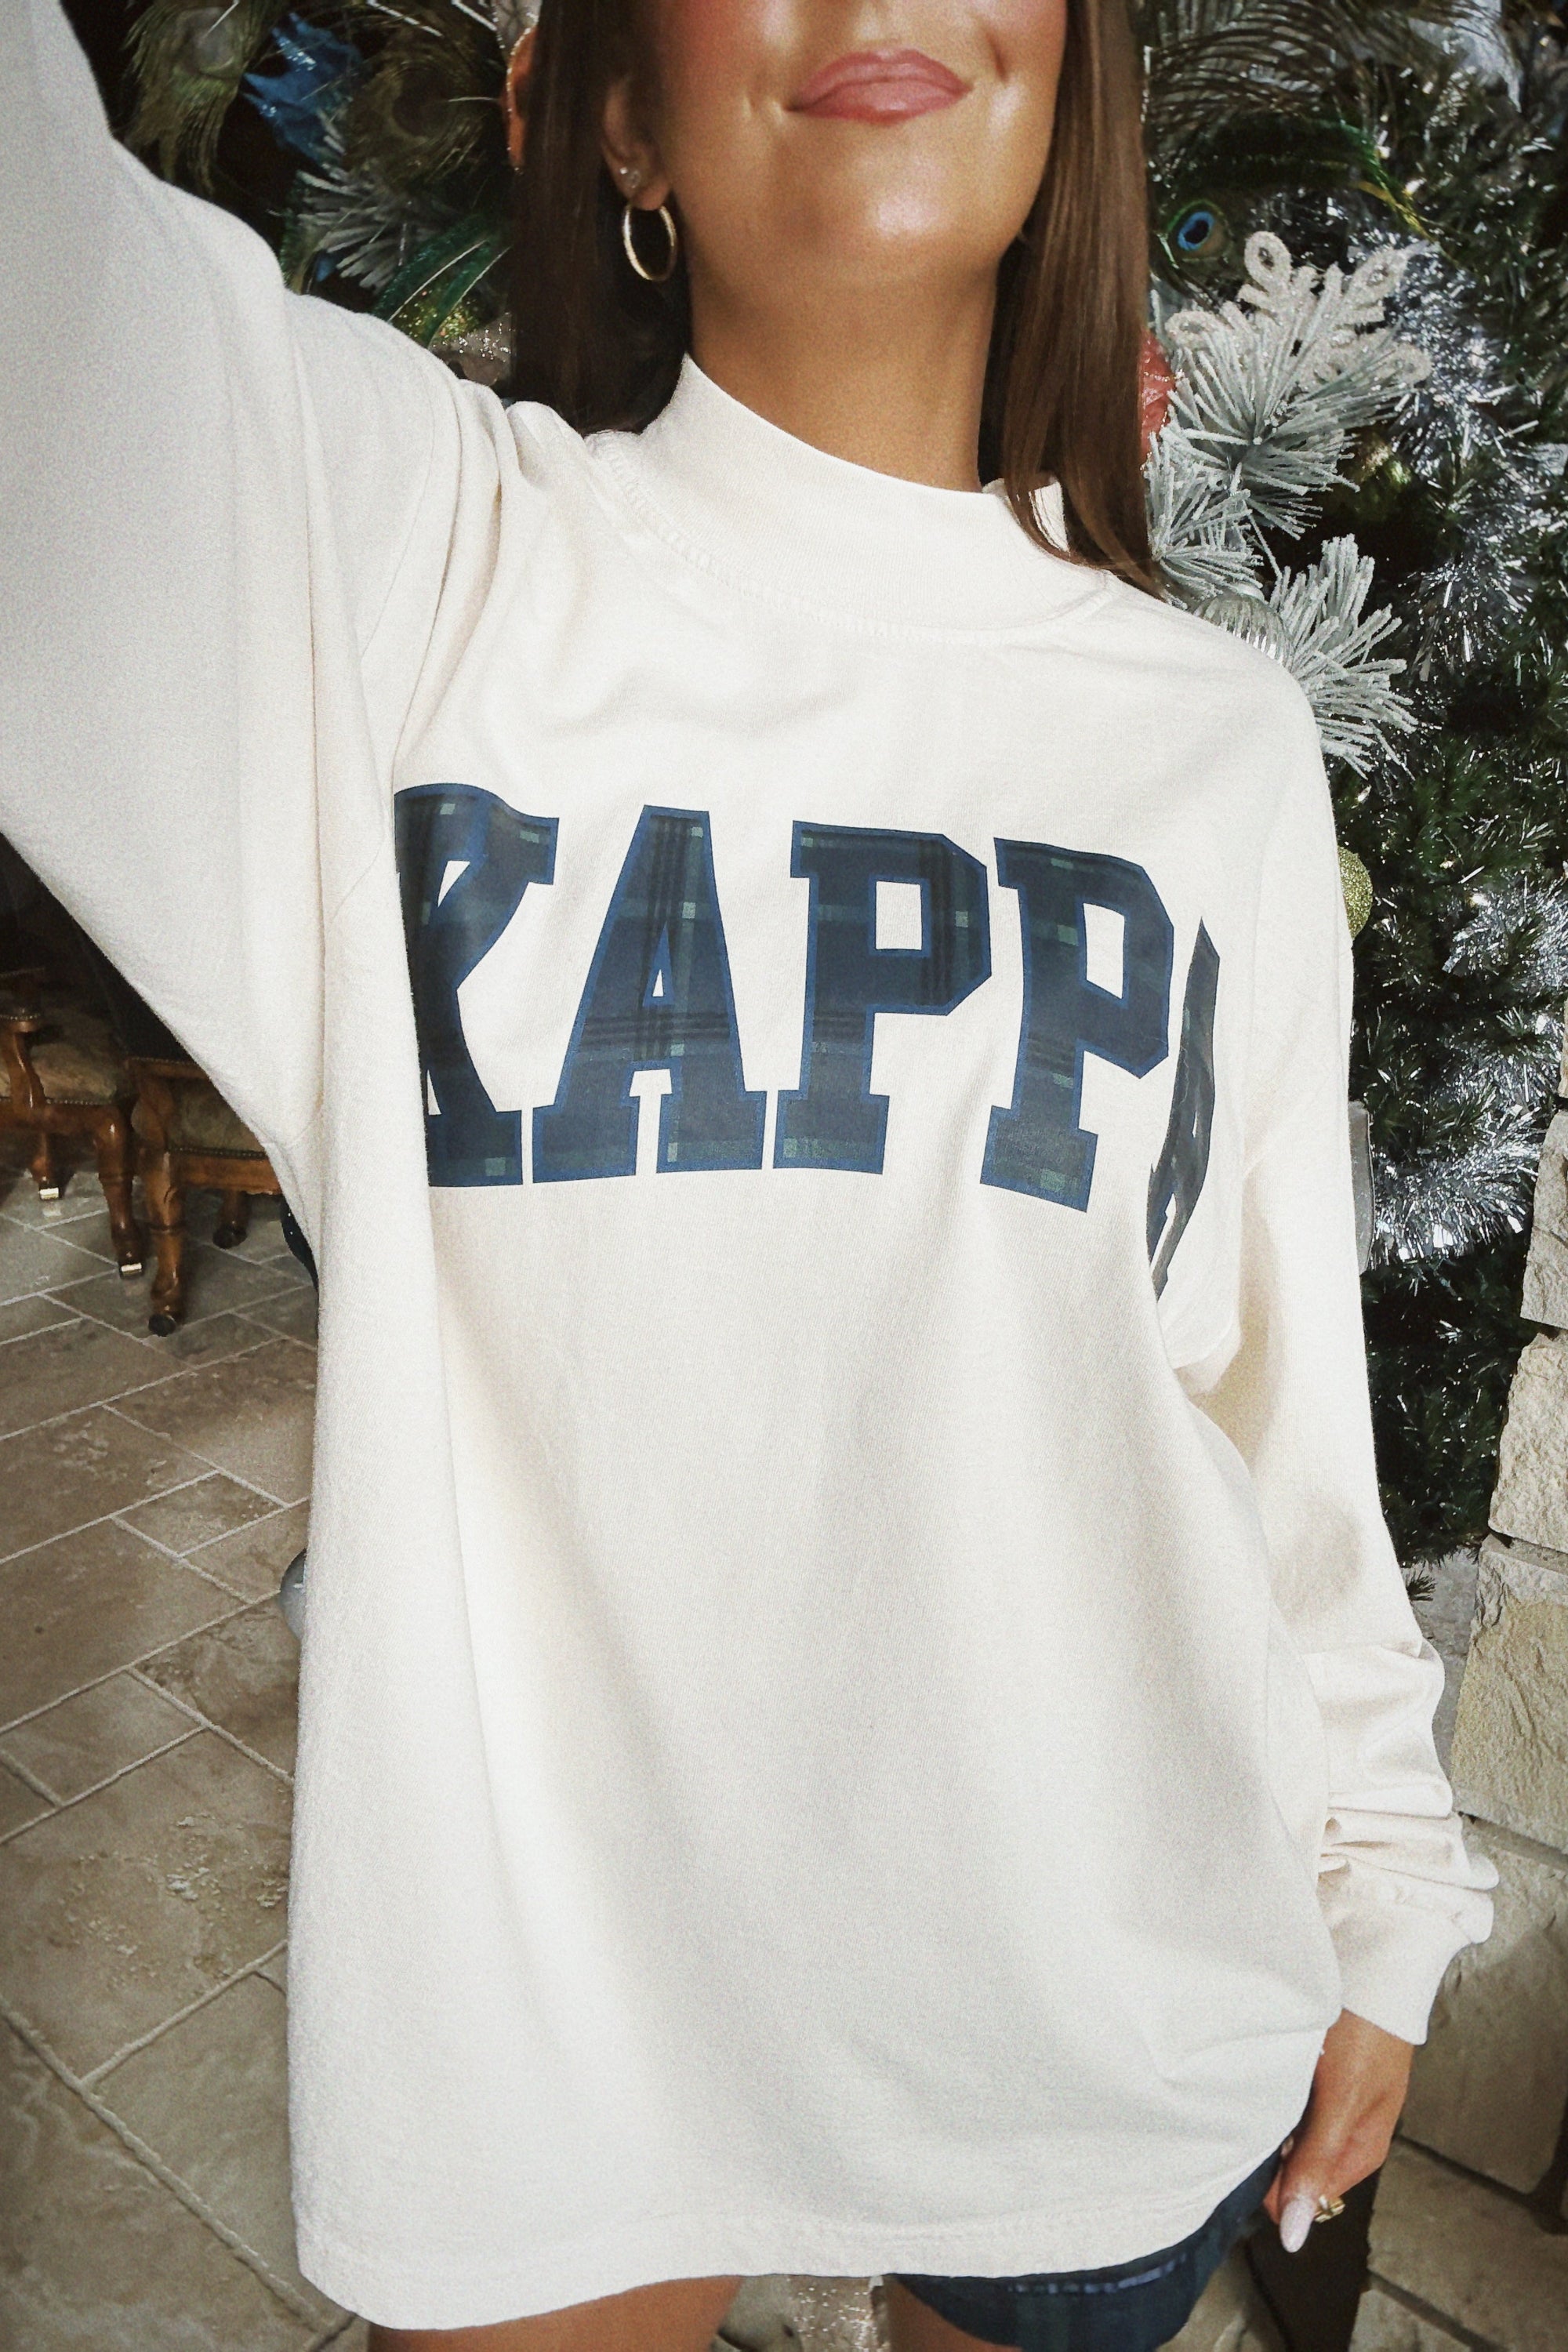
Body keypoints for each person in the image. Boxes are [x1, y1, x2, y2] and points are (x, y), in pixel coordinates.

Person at [0, 3, 1497, 2348]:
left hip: (1105, 1987)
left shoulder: (1218, 745)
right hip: (553, 2047)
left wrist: (1383, 1886)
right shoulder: (406, 568)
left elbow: (1279, 1420)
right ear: (619, 114)